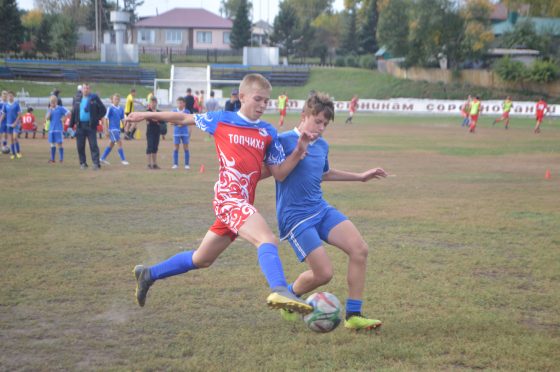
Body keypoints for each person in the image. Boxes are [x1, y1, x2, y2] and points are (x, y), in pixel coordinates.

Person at [127, 73, 316, 316]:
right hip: (228, 199)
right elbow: (184, 118)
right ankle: (280, 289)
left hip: (242, 203)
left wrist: (299, 151)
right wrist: (147, 115)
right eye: (258, 99)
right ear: (242, 97)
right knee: (266, 239)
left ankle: (149, 274)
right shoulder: (221, 120)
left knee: (202, 259)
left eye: (266, 101)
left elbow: (279, 173)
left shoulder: (268, 132)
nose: (262, 105)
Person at [267, 92, 387, 331]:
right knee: (323, 274)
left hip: (320, 209)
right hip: (295, 217)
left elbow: (324, 173)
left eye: (325, 124)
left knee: (359, 249)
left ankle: (354, 315)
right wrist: (299, 150)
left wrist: (360, 177)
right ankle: (288, 296)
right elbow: (279, 174)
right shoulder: (282, 141)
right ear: (304, 116)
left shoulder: (322, 145)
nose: (321, 128)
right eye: (317, 121)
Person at [70, 83, 106, 170]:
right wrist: (71, 125)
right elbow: (73, 112)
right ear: (82, 89)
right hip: (80, 126)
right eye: (84, 88)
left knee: (93, 145)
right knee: (80, 146)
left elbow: (103, 110)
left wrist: (96, 118)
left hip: (91, 126)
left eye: (87, 88)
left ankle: (96, 164)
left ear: (90, 90)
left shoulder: (94, 99)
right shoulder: (77, 99)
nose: (86, 90)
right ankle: (83, 163)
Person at [100, 94, 129, 166]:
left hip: (118, 129)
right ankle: (123, 160)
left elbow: (122, 119)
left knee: (111, 144)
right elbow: (105, 118)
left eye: (118, 99)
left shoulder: (121, 109)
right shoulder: (110, 108)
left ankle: (102, 158)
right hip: (112, 129)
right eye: (115, 99)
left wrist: (125, 127)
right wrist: (106, 130)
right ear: (112, 100)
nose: (116, 100)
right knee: (119, 143)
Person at [45, 95, 70, 163]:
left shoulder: (60, 108)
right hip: (51, 129)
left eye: (53, 102)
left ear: (56, 102)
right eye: (51, 102)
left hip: (58, 129)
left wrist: (64, 118)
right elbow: (47, 118)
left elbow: (68, 113)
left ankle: (61, 159)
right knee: (52, 144)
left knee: (59, 143)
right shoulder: (49, 109)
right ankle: (52, 159)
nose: (52, 103)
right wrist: (50, 111)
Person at [0, 91, 23, 159]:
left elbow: (19, 115)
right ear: (8, 97)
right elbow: (3, 114)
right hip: (8, 124)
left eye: (11, 96)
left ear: (13, 96)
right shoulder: (5, 105)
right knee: (11, 139)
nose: (10, 97)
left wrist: (15, 123)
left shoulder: (16, 104)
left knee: (15, 137)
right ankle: (13, 154)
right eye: (9, 96)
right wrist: (0, 121)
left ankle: (18, 152)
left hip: (15, 124)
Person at [171, 96, 192, 170]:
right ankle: (175, 164)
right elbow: (171, 122)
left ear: (184, 104)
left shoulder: (187, 112)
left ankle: (186, 164)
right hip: (176, 132)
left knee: (186, 148)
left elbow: (189, 121)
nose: (179, 104)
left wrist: (183, 124)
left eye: (181, 103)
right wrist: (178, 123)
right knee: (176, 148)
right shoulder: (174, 111)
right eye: (178, 103)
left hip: (185, 132)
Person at [145, 97, 165, 169]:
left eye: (154, 102)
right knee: (149, 147)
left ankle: (154, 164)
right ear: (149, 103)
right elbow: (149, 120)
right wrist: (157, 120)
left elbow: (162, 121)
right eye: (152, 102)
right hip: (150, 131)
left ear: (156, 103)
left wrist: (157, 120)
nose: (153, 104)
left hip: (157, 131)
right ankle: (148, 164)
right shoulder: (148, 111)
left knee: (155, 147)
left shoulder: (159, 112)